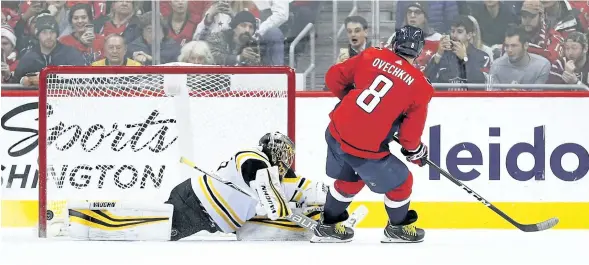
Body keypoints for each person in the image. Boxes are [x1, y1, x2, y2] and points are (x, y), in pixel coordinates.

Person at [66, 132, 329, 241]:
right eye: (286, 155)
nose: (288, 161)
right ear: (277, 151)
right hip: (193, 203)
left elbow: (296, 187)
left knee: (165, 233)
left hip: (206, 217)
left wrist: (322, 198)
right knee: (154, 229)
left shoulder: (274, 174)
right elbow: (256, 175)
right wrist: (274, 200)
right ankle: (89, 220)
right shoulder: (253, 156)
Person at [312, 25, 434, 243]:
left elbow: (333, 77)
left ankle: (327, 225)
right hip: (364, 147)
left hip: (336, 131)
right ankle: (397, 229)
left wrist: (351, 102)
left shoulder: (371, 54)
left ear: (395, 42)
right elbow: (409, 138)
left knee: (351, 178)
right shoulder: (421, 86)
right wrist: (416, 152)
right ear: (419, 51)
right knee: (402, 182)